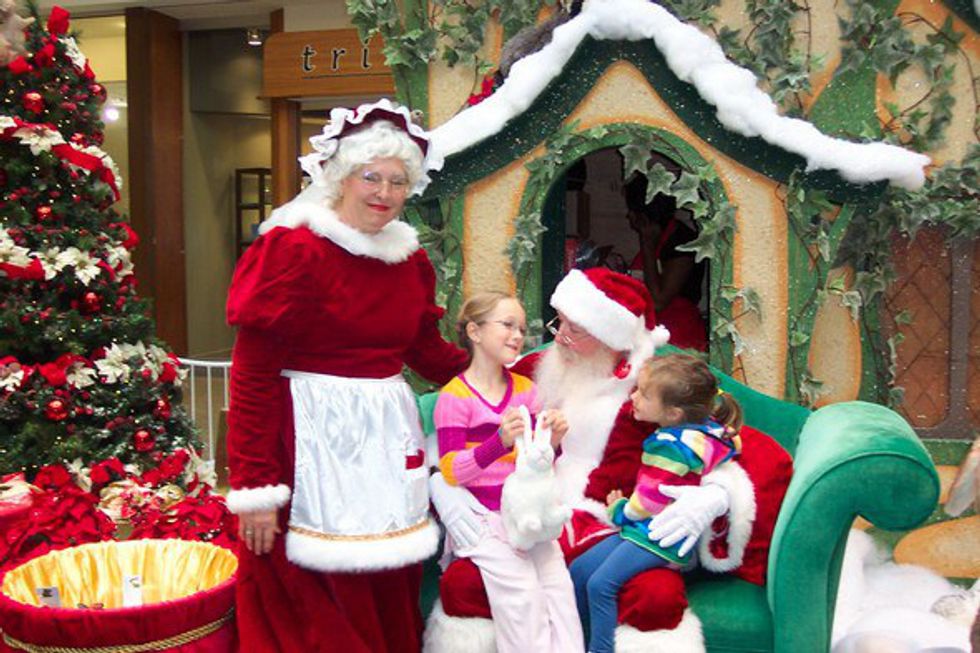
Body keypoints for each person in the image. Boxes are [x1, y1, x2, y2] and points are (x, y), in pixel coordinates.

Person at [426, 267, 793, 652]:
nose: (560, 337)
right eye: (558, 322)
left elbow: (731, 440)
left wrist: (716, 495)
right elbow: (460, 430)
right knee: (464, 583)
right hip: (534, 513)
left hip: (612, 522)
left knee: (654, 596)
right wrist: (441, 484)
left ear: (609, 339)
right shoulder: (533, 372)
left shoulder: (649, 391)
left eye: (575, 329)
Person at [224, 99, 469, 653]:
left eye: (398, 181)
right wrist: (256, 486)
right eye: (371, 177)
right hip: (307, 444)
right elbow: (252, 376)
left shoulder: (408, 260)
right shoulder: (292, 249)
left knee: (387, 577)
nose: (385, 193)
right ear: (340, 176)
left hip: (385, 443)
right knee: (311, 593)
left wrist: (510, 375)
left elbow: (425, 352)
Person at [434, 291, 583, 653]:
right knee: (522, 596)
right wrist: (498, 442)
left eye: (521, 327)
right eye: (507, 325)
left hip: (527, 512)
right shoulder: (454, 397)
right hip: (483, 520)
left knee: (559, 590)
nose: (517, 335)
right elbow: (451, 471)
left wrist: (552, 441)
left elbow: (535, 462)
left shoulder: (526, 391)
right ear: (475, 331)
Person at [570, 353, 743, 653]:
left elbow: (648, 501)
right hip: (646, 530)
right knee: (580, 570)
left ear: (673, 413)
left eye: (644, 394)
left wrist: (619, 510)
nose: (633, 397)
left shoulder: (669, 447)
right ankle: (578, 641)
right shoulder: (704, 432)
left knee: (601, 585)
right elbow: (730, 446)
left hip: (661, 535)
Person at [625, 174, 708, 351]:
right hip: (658, 332)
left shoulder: (681, 242)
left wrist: (647, 245)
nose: (628, 216)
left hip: (679, 336)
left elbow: (658, 302)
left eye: (632, 210)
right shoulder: (662, 237)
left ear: (644, 215)